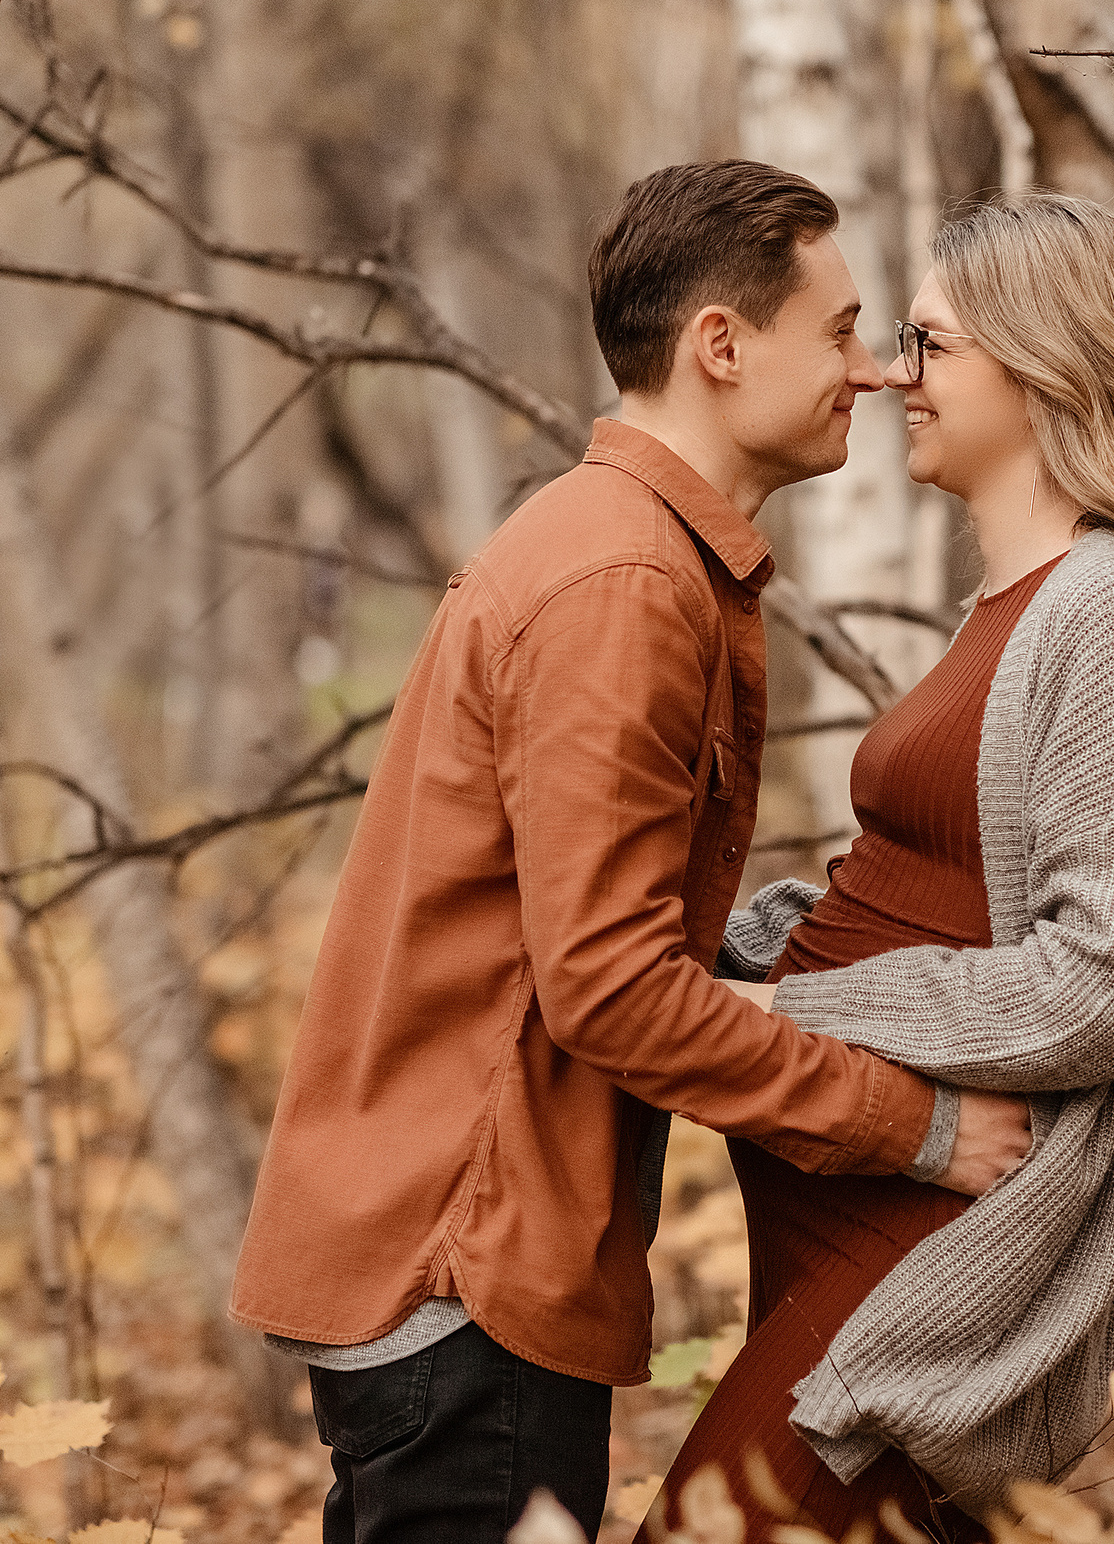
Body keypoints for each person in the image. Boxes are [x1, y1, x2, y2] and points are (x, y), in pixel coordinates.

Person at [231, 159, 1033, 1544]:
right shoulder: (625, 585)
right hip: (464, 1272)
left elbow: (572, 923)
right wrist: (923, 1127)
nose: (877, 371)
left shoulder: (622, 551)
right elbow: (606, 988)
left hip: (452, 1265)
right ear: (721, 346)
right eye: (839, 331)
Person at [655, 191, 1114, 1542]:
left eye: (927, 346)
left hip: (924, 1260)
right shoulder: (1013, 605)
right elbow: (934, 898)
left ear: (1041, 364)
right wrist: (732, 946)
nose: (887, 376)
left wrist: (791, 1014)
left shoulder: (1109, 606)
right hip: (842, 1227)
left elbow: (1113, 978)